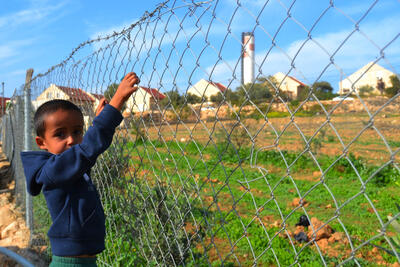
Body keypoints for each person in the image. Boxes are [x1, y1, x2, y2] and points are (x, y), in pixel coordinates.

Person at [20, 72, 140, 266]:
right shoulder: (52, 171)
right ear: (41, 143)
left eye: (77, 131)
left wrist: (97, 123)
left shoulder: (66, 166)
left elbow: (85, 155)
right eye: (60, 134)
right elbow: (85, 152)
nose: (71, 140)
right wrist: (117, 102)